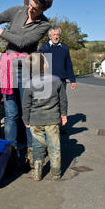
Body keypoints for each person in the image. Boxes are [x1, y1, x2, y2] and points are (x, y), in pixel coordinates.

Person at [0, 0, 54, 172]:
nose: (30, 10)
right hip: (8, 69)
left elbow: (22, 42)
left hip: (28, 69)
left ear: (43, 10)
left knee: (28, 114)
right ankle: (10, 154)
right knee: (11, 114)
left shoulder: (44, 25)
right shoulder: (17, 10)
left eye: (35, 9)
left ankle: (32, 154)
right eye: (30, 5)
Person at [21, 52, 68, 181]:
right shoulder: (56, 80)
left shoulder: (29, 84)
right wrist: (63, 114)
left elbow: (26, 104)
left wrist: (26, 119)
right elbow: (63, 100)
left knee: (38, 147)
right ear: (46, 65)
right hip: (52, 119)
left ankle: (37, 173)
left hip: (35, 121)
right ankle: (56, 173)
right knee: (54, 147)